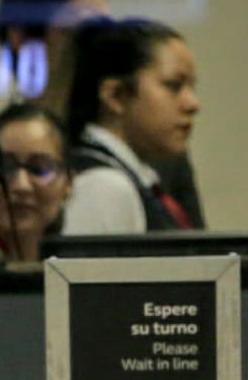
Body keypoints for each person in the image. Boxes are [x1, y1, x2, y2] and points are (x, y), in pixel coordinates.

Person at [0, 0, 206, 226]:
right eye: (84, 31)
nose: (100, 42)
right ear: (22, 41)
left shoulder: (158, 151)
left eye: (106, 27)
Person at [61, 17, 202, 235]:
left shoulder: (137, 178)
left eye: (191, 87)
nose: (193, 104)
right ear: (115, 96)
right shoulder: (102, 186)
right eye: (174, 85)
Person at [0, 102, 71, 261]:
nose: (21, 186)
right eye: (5, 168)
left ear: (68, 183)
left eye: (39, 169)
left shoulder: (79, 275)